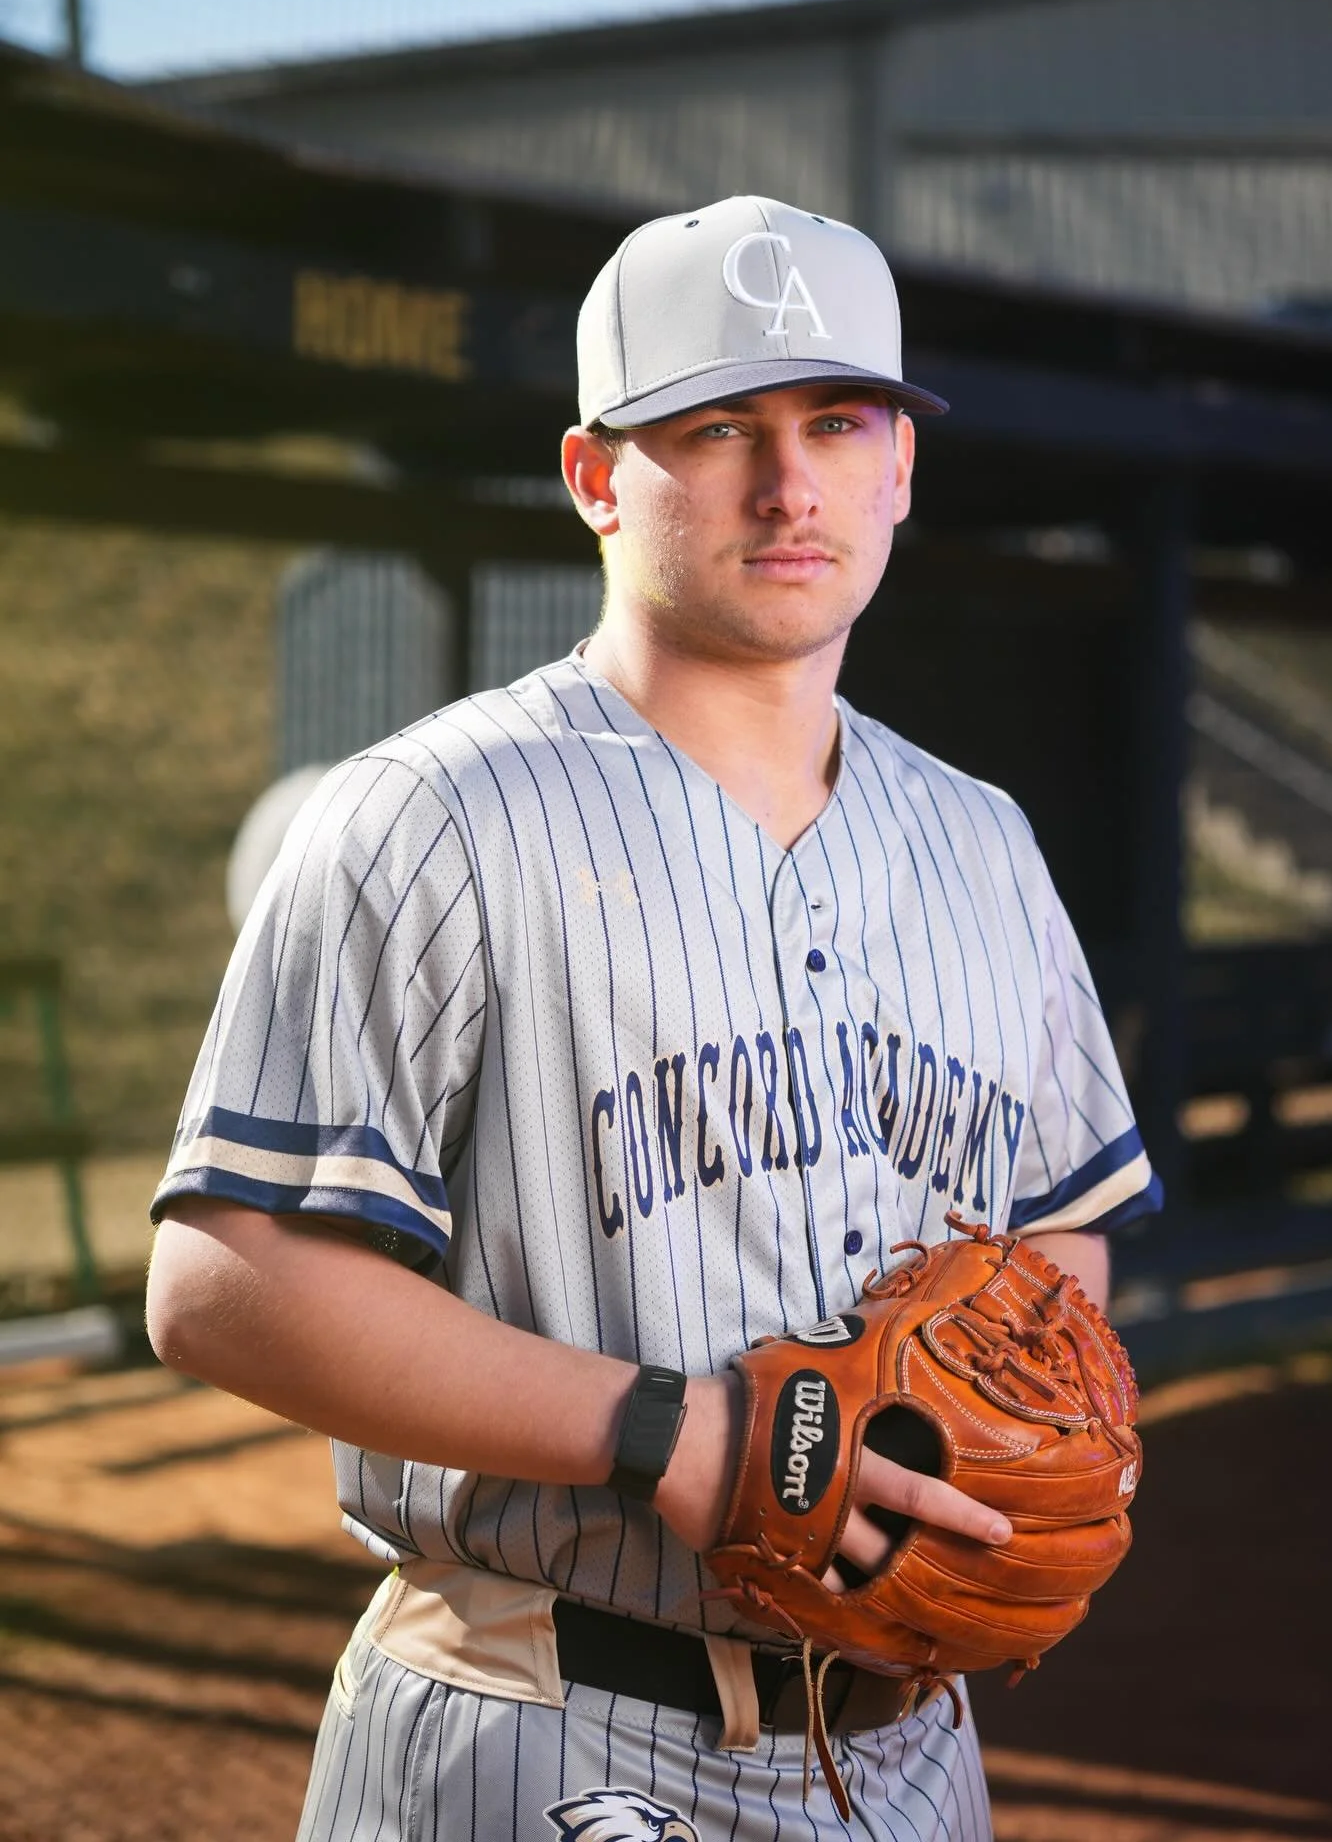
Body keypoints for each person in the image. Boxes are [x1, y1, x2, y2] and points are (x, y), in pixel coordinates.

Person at [147, 194, 1161, 1841]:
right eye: (719, 428)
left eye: (838, 423)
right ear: (595, 476)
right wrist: (673, 1434)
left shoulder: (985, 843)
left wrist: (1004, 1421)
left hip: (914, 1748)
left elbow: (1061, 1229)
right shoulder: (430, 816)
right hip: (551, 1726)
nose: (790, 485)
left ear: (901, 466)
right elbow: (222, 1283)